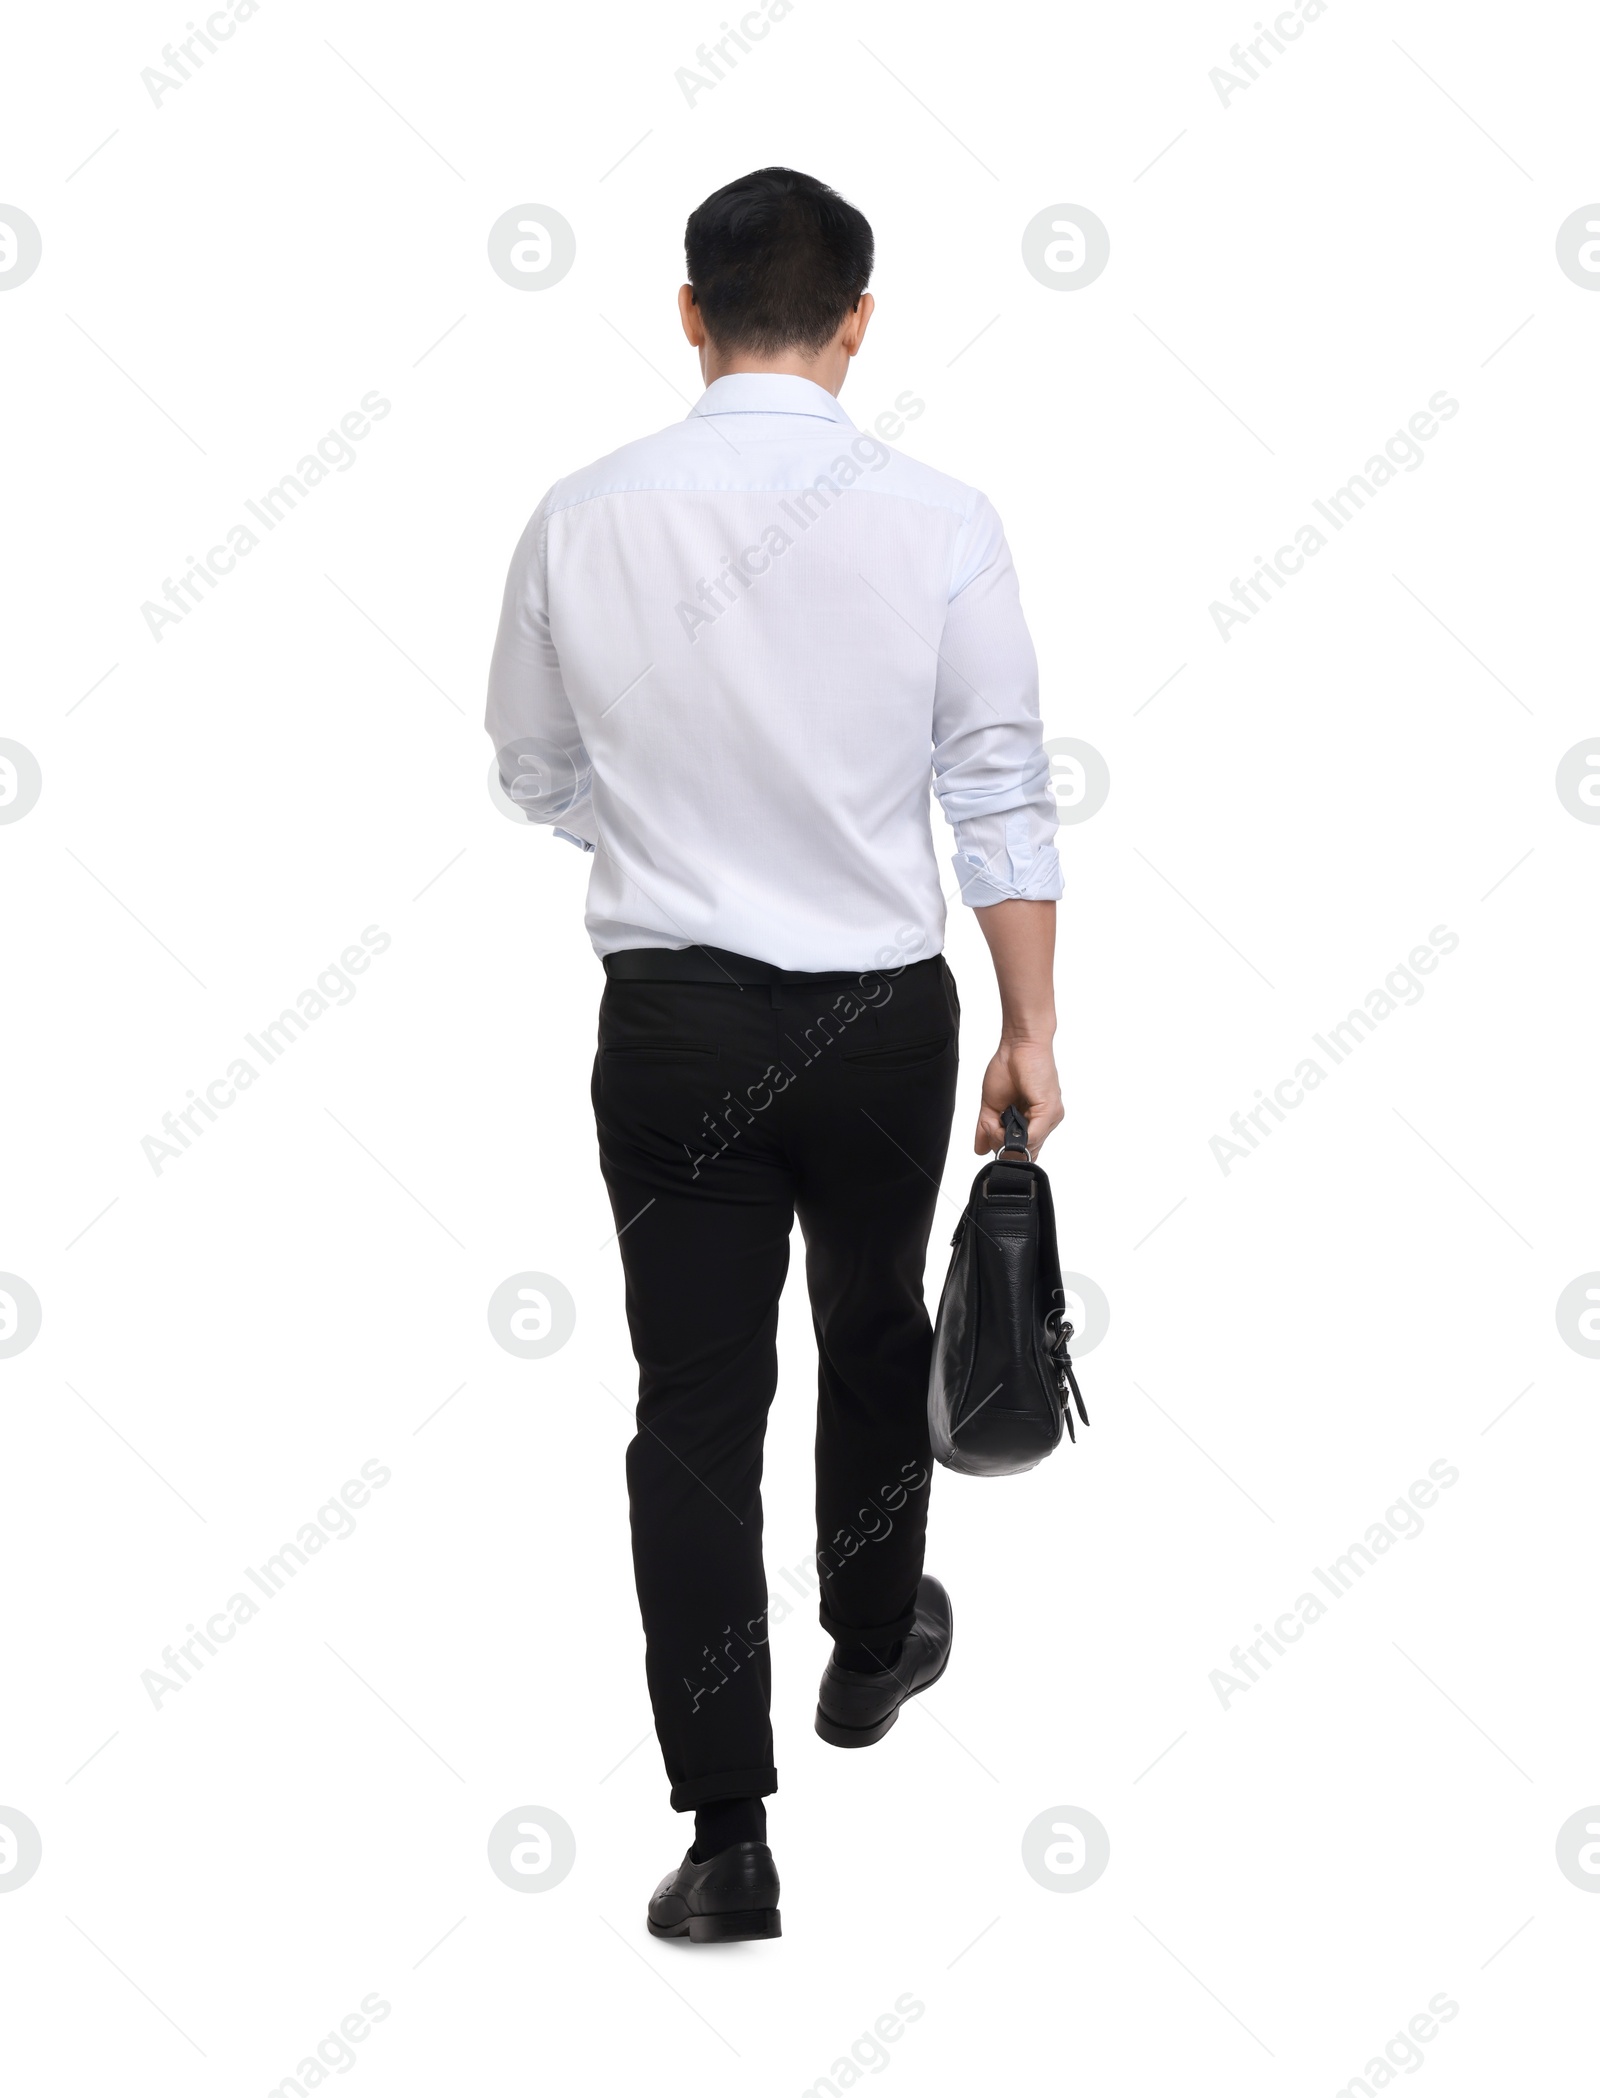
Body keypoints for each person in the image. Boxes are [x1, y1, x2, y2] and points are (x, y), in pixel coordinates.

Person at [485, 166, 1063, 1942]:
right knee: (878, 1330)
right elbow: (997, 787)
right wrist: (1034, 1022)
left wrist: (668, 836)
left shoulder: (581, 514)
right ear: (860, 319)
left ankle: (728, 1836)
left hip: (673, 1027)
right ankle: (872, 1648)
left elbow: (528, 766)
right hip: (884, 1023)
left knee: (693, 1408)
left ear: (687, 312)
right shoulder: (943, 515)